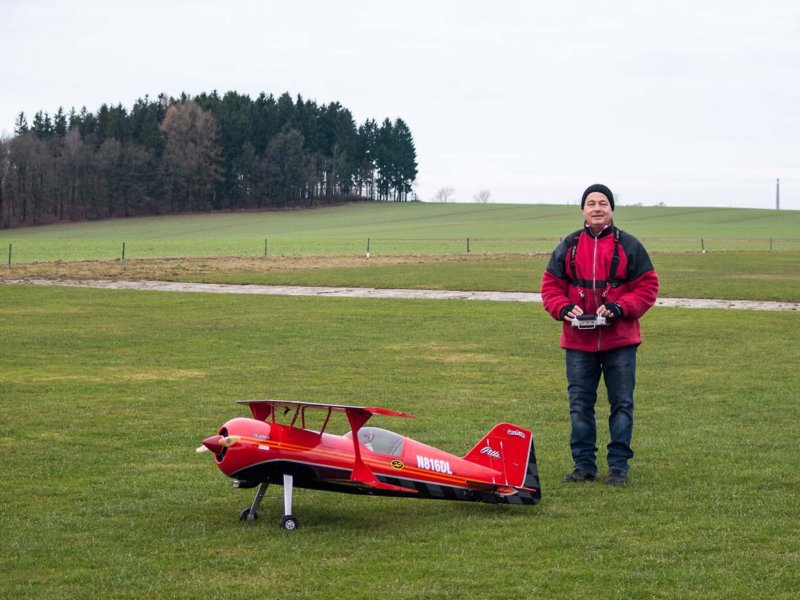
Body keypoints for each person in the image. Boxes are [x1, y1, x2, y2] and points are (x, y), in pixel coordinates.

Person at [541, 183, 659, 486]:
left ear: (611, 209)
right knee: (580, 404)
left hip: (620, 340)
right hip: (578, 343)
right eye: (591, 203)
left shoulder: (630, 246)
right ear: (582, 210)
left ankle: (618, 466)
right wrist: (563, 308)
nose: (597, 208)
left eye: (603, 203)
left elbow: (648, 287)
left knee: (622, 403)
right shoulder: (568, 246)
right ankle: (583, 466)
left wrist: (620, 307)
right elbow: (550, 286)